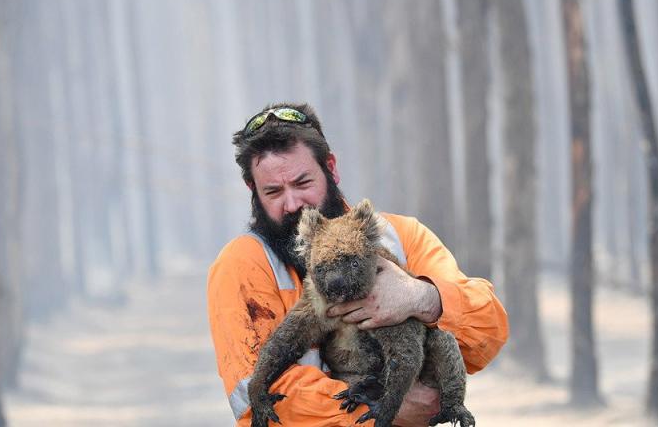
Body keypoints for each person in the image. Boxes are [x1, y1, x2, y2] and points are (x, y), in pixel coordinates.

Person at [207, 103, 508, 426]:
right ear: (253, 190)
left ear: (331, 169)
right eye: (273, 191)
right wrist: (383, 413)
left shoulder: (400, 235)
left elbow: (487, 333)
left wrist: (423, 298)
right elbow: (255, 392)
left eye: (303, 182)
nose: (293, 203)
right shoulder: (242, 264)